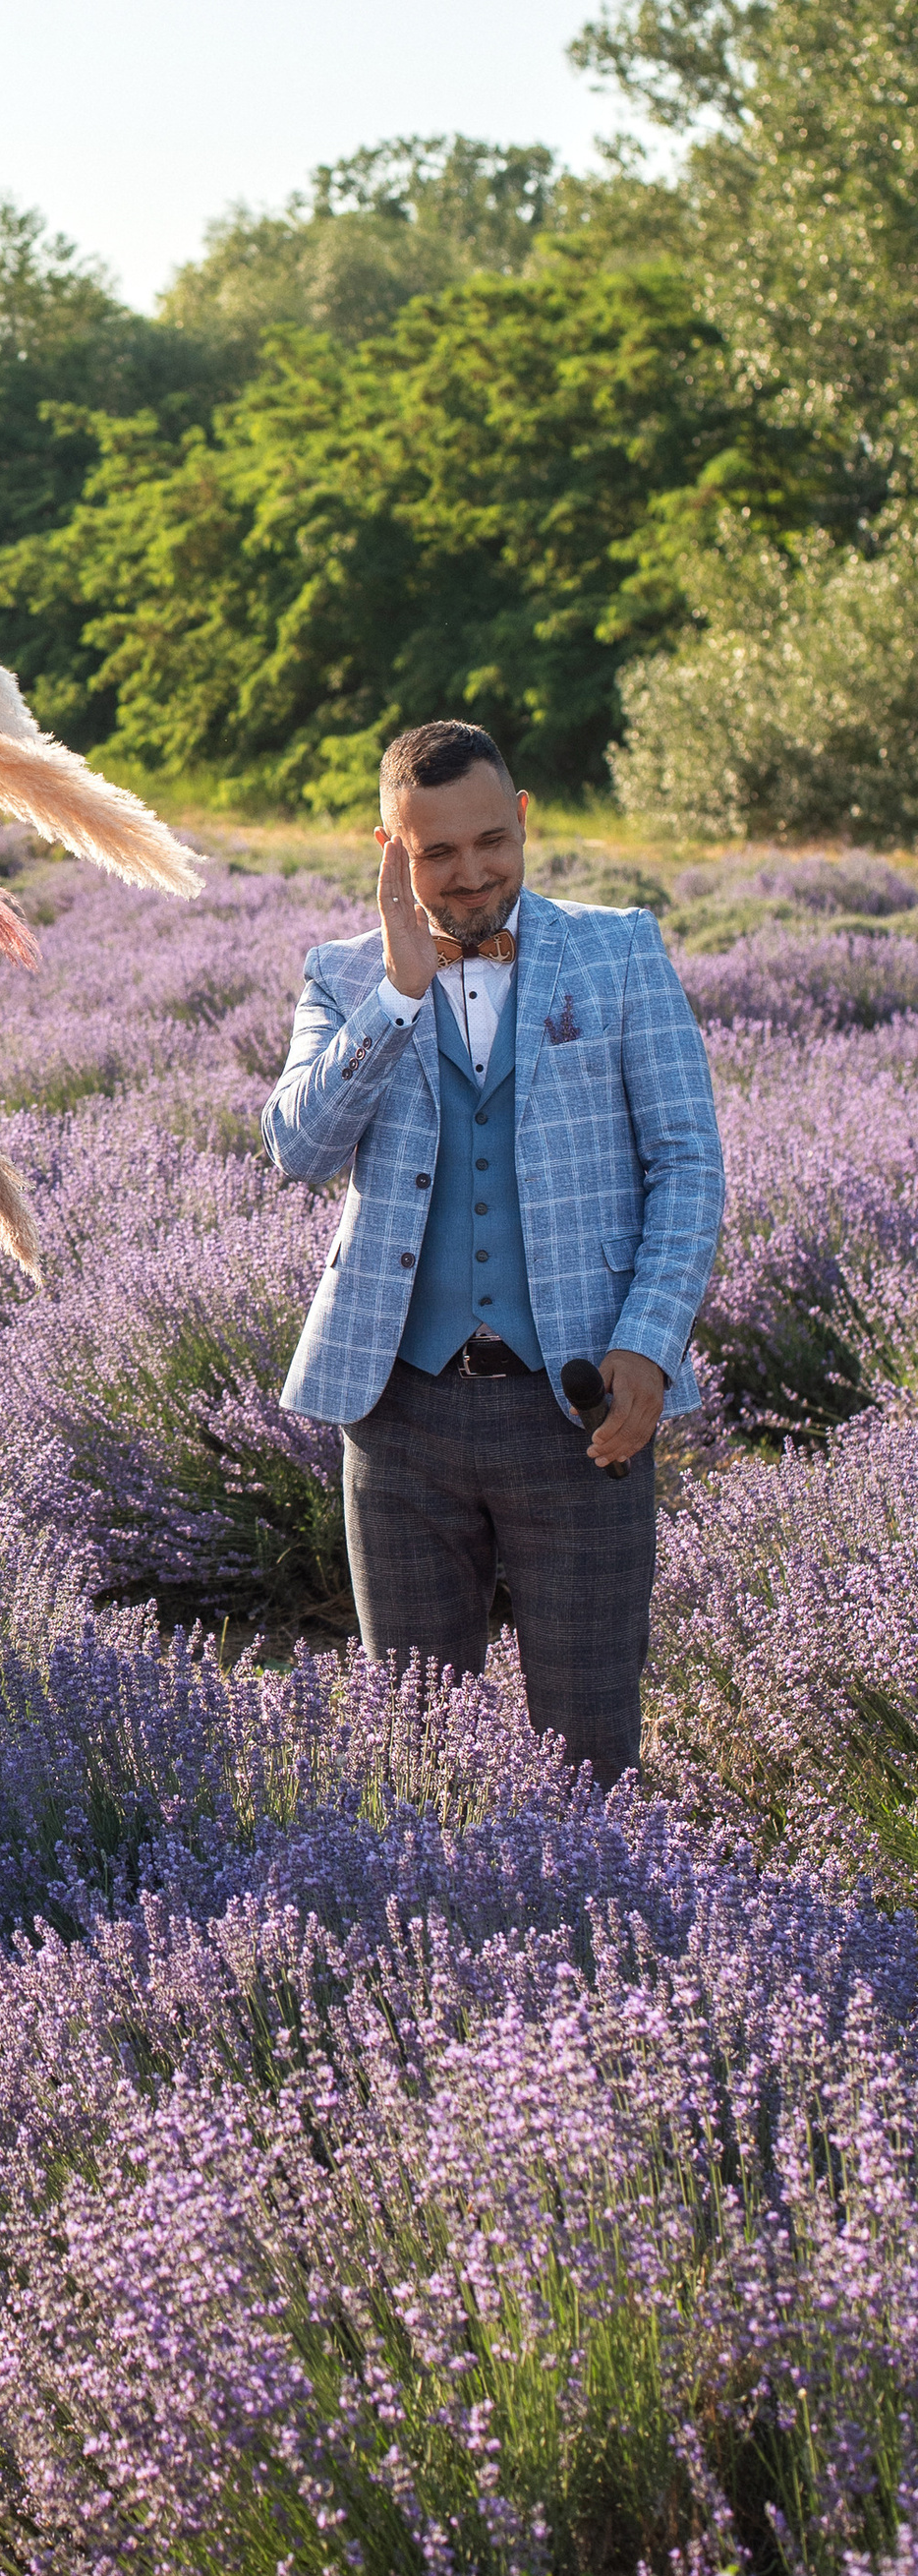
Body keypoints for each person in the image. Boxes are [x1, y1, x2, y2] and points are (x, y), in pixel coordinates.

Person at [261, 718, 723, 1784]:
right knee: (415, 1757)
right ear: (387, 850)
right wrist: (398, 992)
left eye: (488, 842)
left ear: (520, 821)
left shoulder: (620, 950)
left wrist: (648, 1346)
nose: (470, 875)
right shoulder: (340, 979)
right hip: (397, 1413)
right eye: (435, 852)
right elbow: (298, 1149)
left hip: (577, 1407)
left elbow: (688, 1165)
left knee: (590, 1746)